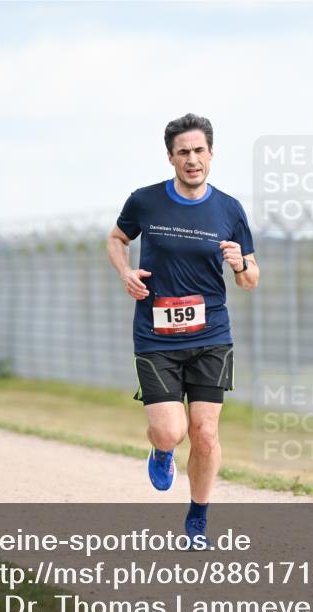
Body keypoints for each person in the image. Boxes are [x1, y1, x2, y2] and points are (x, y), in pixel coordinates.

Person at [106, 113, 259, 548]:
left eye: (199, 151)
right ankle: (161, 450)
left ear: (211, 154)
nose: (192, 160)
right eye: (183, 152)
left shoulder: (229, 209)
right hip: (156, 337)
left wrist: (241, 264)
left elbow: (251, 280)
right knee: (170, 430)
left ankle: (197, 518)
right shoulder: (145, 201)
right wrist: (125, 272)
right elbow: (116, 238)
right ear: (171, 157)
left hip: (211, 334)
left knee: (206, 432)